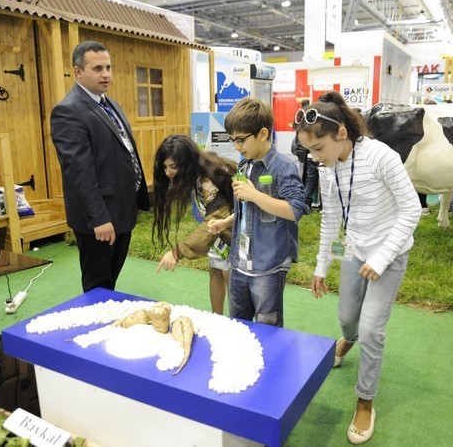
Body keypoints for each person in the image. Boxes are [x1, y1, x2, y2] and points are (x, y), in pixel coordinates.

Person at [295, 91, 421, 444]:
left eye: (318, 148)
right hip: (355, 250)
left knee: (371, 329)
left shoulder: (381, 156)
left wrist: (382, 258)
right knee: (348, 318)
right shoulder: (327, 167)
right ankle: (347, 340)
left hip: (389, 254)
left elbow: (412, 209)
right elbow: (331, 218)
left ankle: (365, 401)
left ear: (341, 133)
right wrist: (321, 266)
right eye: (309, 151)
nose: (314, 157)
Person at [51, 40, 150, 293]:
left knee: (110, 281)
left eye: (108, 67)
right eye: (97, 69)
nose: (106, 74)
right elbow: (79, 173)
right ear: (78, 72)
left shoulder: (110, 103)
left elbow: (124, 152)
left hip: (120, 211)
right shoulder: (68, 111)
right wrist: (100, 219)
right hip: (99, 219)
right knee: (98, 286)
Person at [208, 97, 309, 327]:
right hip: (239, 264)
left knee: (267, 328)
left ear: (263, 134)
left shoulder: (284, 167)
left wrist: (254, 195)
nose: (236, 146)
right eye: (233, 140)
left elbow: (295, 210)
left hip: (268, 267)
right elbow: (247, 210)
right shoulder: (244, 165)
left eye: (241, 140)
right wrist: (226, 222)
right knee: (238, 326)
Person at [152, 134, 237, 315]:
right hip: (220, 231)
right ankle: (216, 318)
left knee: (230, 274)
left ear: (187, 162)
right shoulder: (199, 171)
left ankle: (236, 321)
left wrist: (177, 252)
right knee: (215, 269)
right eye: (165, 167)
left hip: (235, 232)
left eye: (173, 166)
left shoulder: (208, 178)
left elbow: (215, 219)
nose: (168, 172)